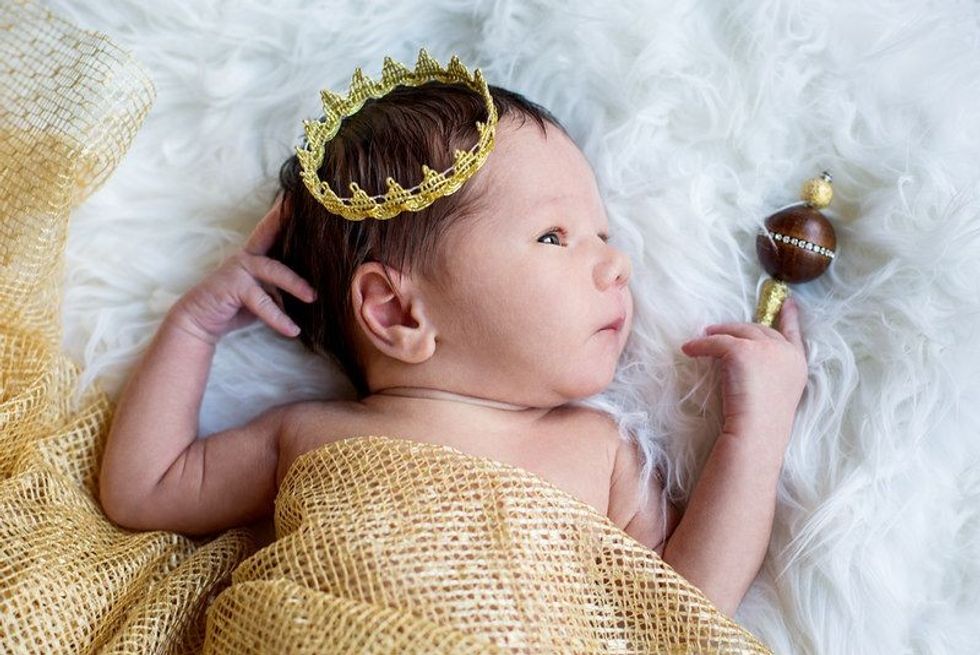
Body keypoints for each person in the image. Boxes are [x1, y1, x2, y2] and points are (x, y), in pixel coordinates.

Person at [98, 68, 807, 622]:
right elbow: (142, 489)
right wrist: (194, 326)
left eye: (605, 235)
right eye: (554, 236)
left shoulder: (601, 451)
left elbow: (686, 609)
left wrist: (755, 431)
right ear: (397, 309)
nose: (616, 264)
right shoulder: (308, 433)